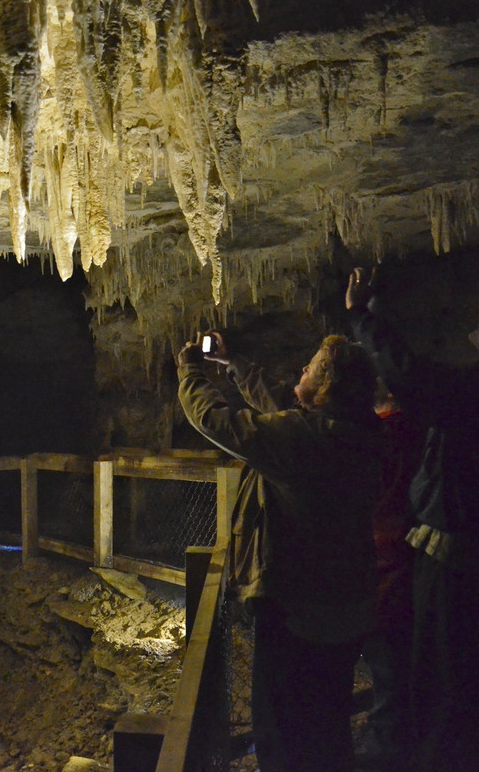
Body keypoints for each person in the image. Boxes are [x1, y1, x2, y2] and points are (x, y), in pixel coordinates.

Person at [345, 269, 479, 772]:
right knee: (457, 665)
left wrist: (360, 319)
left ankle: (449, 758)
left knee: (446, 667)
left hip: (458, 551)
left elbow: (418, 379)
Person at [177, 331, 383, 772]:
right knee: (329, 718)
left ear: (326, 387)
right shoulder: (362, 431)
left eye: (311, 368)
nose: (302, 370)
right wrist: (235, 363)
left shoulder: (304, 441)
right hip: (348, 601)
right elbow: (288, 410)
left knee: (281, 729)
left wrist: (190, 371)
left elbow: (215, 420)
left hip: (297, 608)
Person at [357, 380, 425, 770]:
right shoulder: (416, 429)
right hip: (402, 550)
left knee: (388, 656)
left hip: (386, 554)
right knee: (396, 650)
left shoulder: (384, 435)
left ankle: (389, 744)